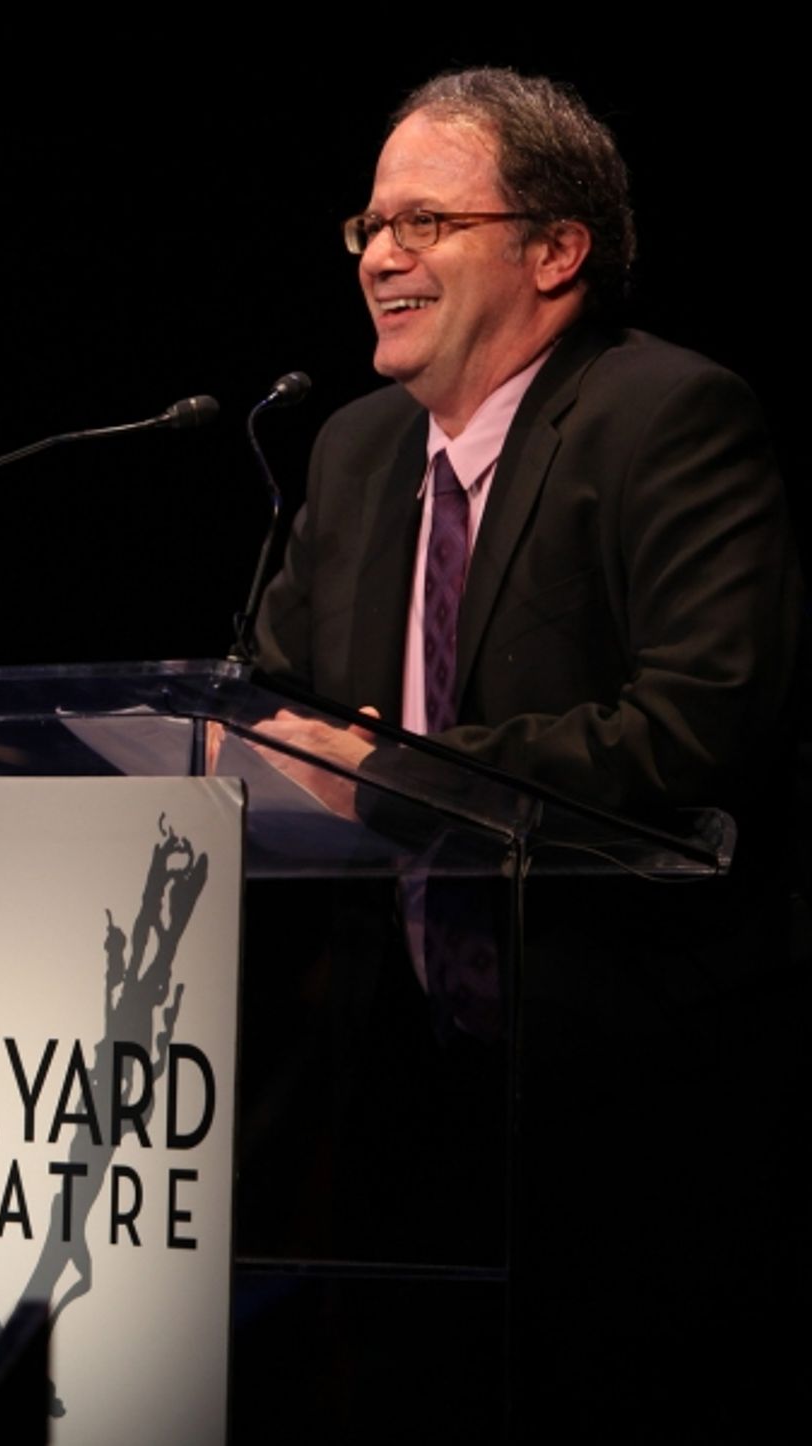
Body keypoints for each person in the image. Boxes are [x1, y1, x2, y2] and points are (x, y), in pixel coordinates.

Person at [249, 69, 802, 1439]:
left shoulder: (667, 416)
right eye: (369, 226)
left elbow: (697, 724)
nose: (381, 254)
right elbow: (269, 699)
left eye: (426, 221)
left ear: (557, 251)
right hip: (395, 1072)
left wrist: (389, 775)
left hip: (630, 1079)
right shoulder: (357, 451)